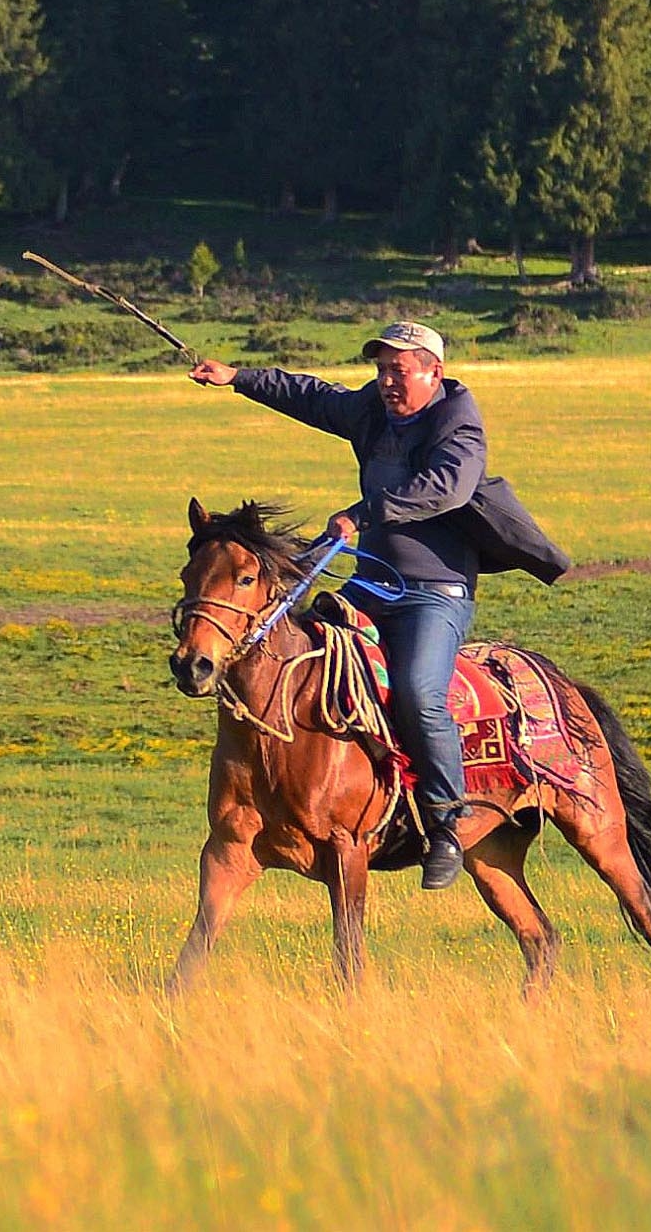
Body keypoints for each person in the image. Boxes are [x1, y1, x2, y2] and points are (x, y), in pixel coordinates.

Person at [189, 321, 485, 890]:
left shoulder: (459, 424)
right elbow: (313, 396)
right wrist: (237, 378)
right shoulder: (375, 410)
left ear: (434, 372)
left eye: (399, 370)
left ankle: (448, 819)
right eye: (380, 370)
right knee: (293, 641)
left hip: (434, 591)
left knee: (422, 692)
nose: (388, 382)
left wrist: (364, 514)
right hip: (372, 583)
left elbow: (445, 487)